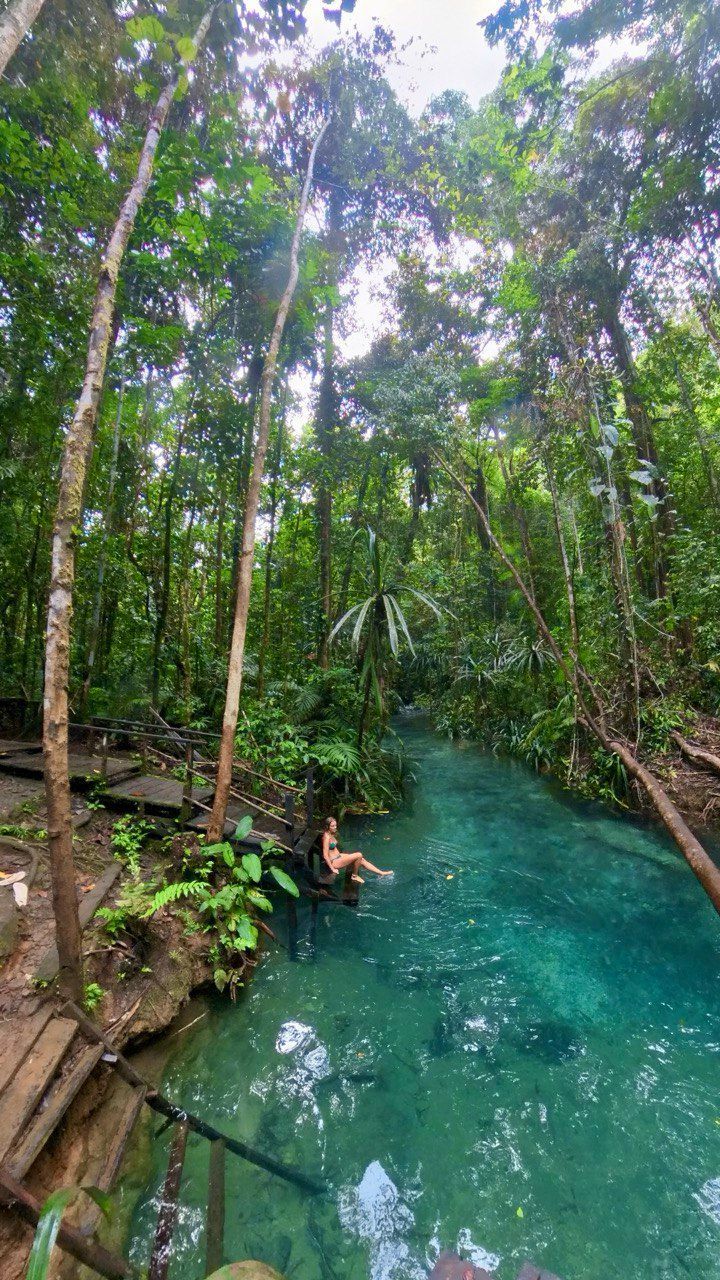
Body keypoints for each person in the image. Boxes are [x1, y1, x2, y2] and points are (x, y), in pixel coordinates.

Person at [321, 816, 393, 884]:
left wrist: (341, 855)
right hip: (334, 862)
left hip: (338, 857)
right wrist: (332, 869)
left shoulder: (331, 834)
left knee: (361, 859)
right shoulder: (326, 837)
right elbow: (325, 855)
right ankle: (354, 876)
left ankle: (381, 873)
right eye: (332, 826)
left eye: (335, 825)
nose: (335, 827)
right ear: (327, 826)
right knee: (359, 855)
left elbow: (333, 848)